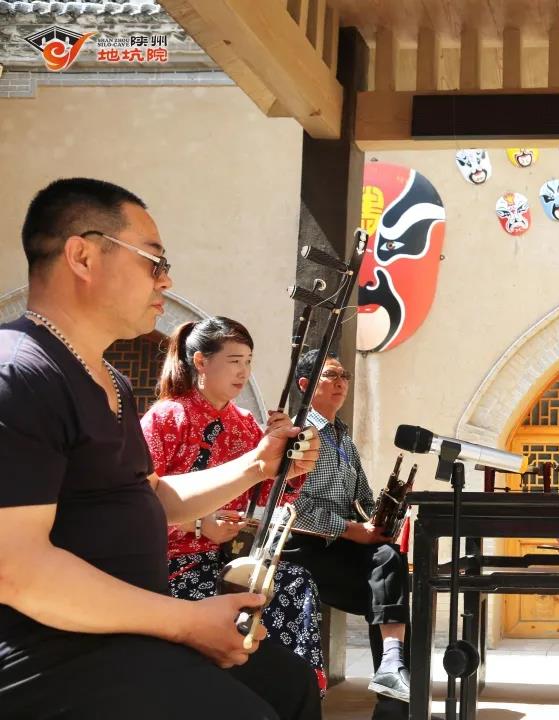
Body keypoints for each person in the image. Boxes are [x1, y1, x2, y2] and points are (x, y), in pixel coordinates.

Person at [0, 178, 322, 718]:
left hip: (127, 632)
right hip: (47, 649)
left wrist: (258, 465)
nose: (166, 279)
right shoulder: (19, 373)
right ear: (82, 256)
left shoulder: (111, 381)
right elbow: (15, 568)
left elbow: (155, 497)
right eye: (153, 261)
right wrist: (187, 622)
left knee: (289, 685)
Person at [141, 316, 327, 694]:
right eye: (234, 361)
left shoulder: (245, 424)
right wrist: (197, 525)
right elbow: (135, 503)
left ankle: (300, 688)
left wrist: (292, 463)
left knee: (293, 583)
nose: (243, 372)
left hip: (227, 560)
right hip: (170, 565)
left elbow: (272, 496)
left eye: (248, 362)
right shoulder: (166, 417)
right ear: (201, 362)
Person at [286, 349, 411, 704]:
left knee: (392, 579)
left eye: (344, 376)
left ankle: (392, 674)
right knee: (390, 592)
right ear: (306, 384)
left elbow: (365, 499)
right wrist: (355, 531)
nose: (341, 382)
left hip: (342, 548)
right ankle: (392, 682)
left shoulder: (344, 439)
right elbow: (293, 507)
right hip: (304, 548)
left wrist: (384, 518)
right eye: (331, 375)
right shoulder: (299, 435)